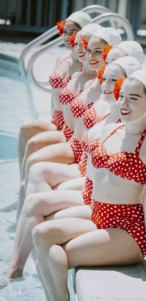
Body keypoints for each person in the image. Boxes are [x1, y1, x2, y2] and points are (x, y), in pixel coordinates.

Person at [31, 68, 146, 301]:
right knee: (40, 234)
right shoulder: (111, 131)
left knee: (57, 254)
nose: (124, 103)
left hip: (127, 228)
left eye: (134, 98)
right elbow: (92, 177)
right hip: (98, 215)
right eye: (123, 96)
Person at [0, 56, 141, 289]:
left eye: (113, 80)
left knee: (40, 209)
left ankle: (28, 268)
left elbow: (140, 174)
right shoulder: (106, 108)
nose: (106, 84)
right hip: (92, 190)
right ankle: (17, 267)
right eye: (105, 78)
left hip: (108, 209)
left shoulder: (133, 127)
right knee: (34, 197)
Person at [16, 23, 101, 222]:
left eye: (87, 45)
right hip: (66, 130)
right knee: (27, 137)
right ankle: (20, 214)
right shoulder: (79, 74)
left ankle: (25, 216)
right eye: (78, 43)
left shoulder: (98, 84)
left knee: (35, 162)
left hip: (77, 144)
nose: (80, 48)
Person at [18, 12, 92, 179]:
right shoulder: (61, 57)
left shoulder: (87, 67)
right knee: (25, 129)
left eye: (73, 32)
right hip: (56, 120)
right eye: (65, 31)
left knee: (33, 145)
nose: (67, 36)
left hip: (70, 128)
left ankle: (28, 181)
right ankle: (23, 180)